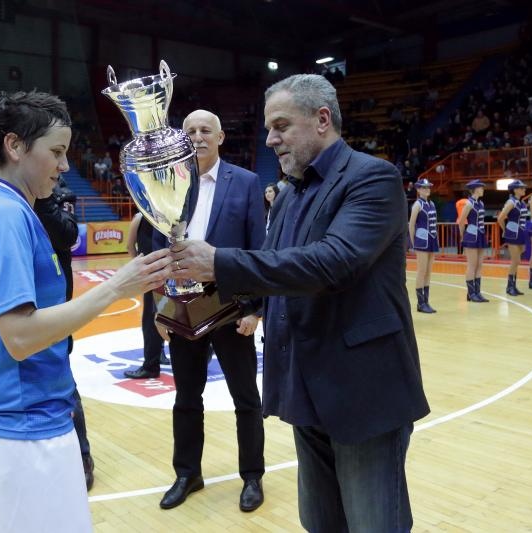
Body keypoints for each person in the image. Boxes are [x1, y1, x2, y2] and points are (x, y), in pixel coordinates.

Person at [168, 75, 429, 531]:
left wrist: (220, 262)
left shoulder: (373, 178)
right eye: (270, 128)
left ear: (322, 120)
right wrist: (192, 304)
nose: (270, 139)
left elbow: (334, 263)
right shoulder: (290, 191)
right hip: (305, 388)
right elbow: (272, 266)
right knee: (320, 523)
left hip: (362, 392)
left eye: (281, 126)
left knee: (374, 524)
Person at [0, 89, 171, 532]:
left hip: (36, 423)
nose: (64, 166)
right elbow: (19, 337)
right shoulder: (5, 217)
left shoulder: (15, 209)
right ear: (15, 146)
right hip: (25, 432)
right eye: (56, 152)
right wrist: (116, 286)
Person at [155, 109, 266, 513]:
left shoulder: (248, 183)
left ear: (220, 137)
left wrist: (256, 309)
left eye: (205, 130)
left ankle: (252, 476)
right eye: (190, 131)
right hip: (183, 308)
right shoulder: (167, 184)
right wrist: (159, 308)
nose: (197, 136)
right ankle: (188, 473)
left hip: (233, 308)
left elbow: (259, 251)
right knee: (186, 397)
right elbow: (157, 250)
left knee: (245, 398)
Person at [32, 179, 97, 492]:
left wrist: (43, 198)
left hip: (55, 305)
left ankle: (82, 455)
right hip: (19, 304)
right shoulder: (5, 198)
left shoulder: (59, 196)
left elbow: (69, 234)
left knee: (64, 383)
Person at [123, 211, 167, 379]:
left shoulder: (140, 217)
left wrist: (141, 267)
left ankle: (151, 364)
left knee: (152, 319)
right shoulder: (169, 215)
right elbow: (130, 246)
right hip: (164, 273)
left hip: (155, 275)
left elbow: (129, 246)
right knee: (166, 315)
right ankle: (157, 355)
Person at [407, 178, 438, 313]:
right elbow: (411, 224)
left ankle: (426, 301)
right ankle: (420, 303)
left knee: (428, 272)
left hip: (431, 239)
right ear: (418, 190)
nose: (427, 190)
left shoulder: (431, 204)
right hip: (421, 240)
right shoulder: (417, 205)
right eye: (424, 188)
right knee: (421, 271)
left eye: (428, 187)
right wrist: (413, 243)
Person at [457, 180, 490, 302]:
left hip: (480, 235)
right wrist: (462, 236)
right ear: (475, 189)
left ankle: (477, 292)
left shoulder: (480, 203)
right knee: (472, 265)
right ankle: (471, 293)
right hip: (471, 235)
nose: (483, 189)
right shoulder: (469, 203)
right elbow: (461, 221)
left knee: (479, 265)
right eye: (481, 187)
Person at [497, 180, 528, 296]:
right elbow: (500, 218)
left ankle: (513, 286)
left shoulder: (522, 203)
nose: (524, 189)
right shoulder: (511, 202)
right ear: (515, 190)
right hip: (512, 233)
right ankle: (509, 287)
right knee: (515, 260)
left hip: (520, 233)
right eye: (521, 188)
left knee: (518, 261)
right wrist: (505, 230)